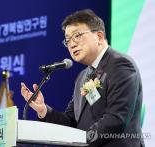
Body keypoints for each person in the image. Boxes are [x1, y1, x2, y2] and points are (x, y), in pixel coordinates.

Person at [21, 9, 144, 147]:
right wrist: (43, 110)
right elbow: (71, 122)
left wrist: (83, 141)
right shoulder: (82, 77)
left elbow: (116, 118)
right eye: (67, 40)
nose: (72, 44)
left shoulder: (120, 64)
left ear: (99, 36)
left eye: (77, 36)